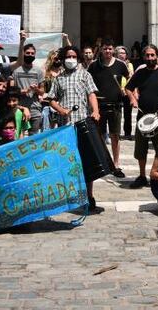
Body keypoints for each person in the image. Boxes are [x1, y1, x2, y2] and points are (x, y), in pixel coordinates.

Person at [46, 45, 104, 213]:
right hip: (66, 126)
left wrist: (96, 111)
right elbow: (51, 99)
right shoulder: (58, 78)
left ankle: (89, 195)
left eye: (73, 56)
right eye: (67, 56)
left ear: (78, 58)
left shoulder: (85, 74)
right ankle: (71, 195)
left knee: (87, 161)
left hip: (83, 123)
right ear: (63, 59)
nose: (70, 59)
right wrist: (61, 110)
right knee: (69, 161)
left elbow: (91, 94)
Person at [125, 44, 158, 188]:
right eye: (147, 55)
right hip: (142, 117)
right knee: (140, 149)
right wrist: (133, 98)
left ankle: (157, 175)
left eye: (152, 55)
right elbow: (128, 88)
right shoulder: (140, 73)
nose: (150, 58)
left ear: (157, 56)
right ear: (143, 57)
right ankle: (142, 176)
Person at [87, 40, 129, 177]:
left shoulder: (121, 65)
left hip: (116, 106)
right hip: (99, 107)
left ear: (113, 50)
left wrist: (125, 90)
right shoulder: (94, 66)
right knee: (99, 136)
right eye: (105, 49)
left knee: (115, 136)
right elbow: (88, 84)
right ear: (101, 50)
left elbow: (128, 80)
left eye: (110, 49)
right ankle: (103, 162)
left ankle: (115, 164)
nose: (108, 51)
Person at [11, 43, 45, 135]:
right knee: (18, 135)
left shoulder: (39, 71)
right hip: (19, 108)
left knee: (33, 137)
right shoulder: (16, 71)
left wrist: (36, 89)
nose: (30, 55)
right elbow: (11, 91)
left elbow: (42, 92)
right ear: (23, 54)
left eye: (32, 53)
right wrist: (24, 91)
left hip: (35, 108)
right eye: (28, 53)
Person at [116, 46, 135, 140]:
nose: (122, 55)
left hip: (127, 92)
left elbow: (131, 76)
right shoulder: (114, 64)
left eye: (123, 53)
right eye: (120, 53)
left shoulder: (129, 64)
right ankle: (117, 133)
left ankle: (127, 133)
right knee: (117, 114)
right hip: (117, 91)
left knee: (128, 114)